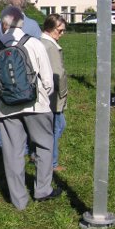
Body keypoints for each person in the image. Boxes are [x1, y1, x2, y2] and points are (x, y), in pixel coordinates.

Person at [0, 6, 60, 210]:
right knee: (45, 145)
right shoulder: (35, 43)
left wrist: (1, 102)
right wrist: (44, 97)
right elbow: (47, 79)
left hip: (7, 108)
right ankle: (43, 189)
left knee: (12, 153)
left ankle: (19, 200)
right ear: (22, 23)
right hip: (36, 104)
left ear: (3, 24)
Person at [0, 0, 42, 153]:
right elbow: (39, 50)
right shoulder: (33, 25)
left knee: (1, 107)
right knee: (28, 108)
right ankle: (27, 146)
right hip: (27, 74)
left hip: (4, 73)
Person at [41, 14, 68, 171]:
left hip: (43, 93)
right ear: (51, 29)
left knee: (49, 126)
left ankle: (38, 154)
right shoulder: (51, 47)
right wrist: (63, 93)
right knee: (57, 127)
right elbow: (58, 73)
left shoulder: (40, 42)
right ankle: (51, 162)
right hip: (53, 95)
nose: (62, 34)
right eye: (60, 30)